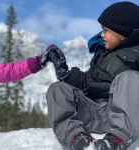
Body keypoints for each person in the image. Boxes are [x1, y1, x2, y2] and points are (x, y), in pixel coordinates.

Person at [46, 1, 139, 150]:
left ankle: (117, 139)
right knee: (56, 89)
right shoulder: (101, 52)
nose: (101, 34)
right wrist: (66, 74)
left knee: (129, 78)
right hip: (92, 113)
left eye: (106, 30)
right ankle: (76, 138)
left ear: (122, 33)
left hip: (121, 115)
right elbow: (88, 82)